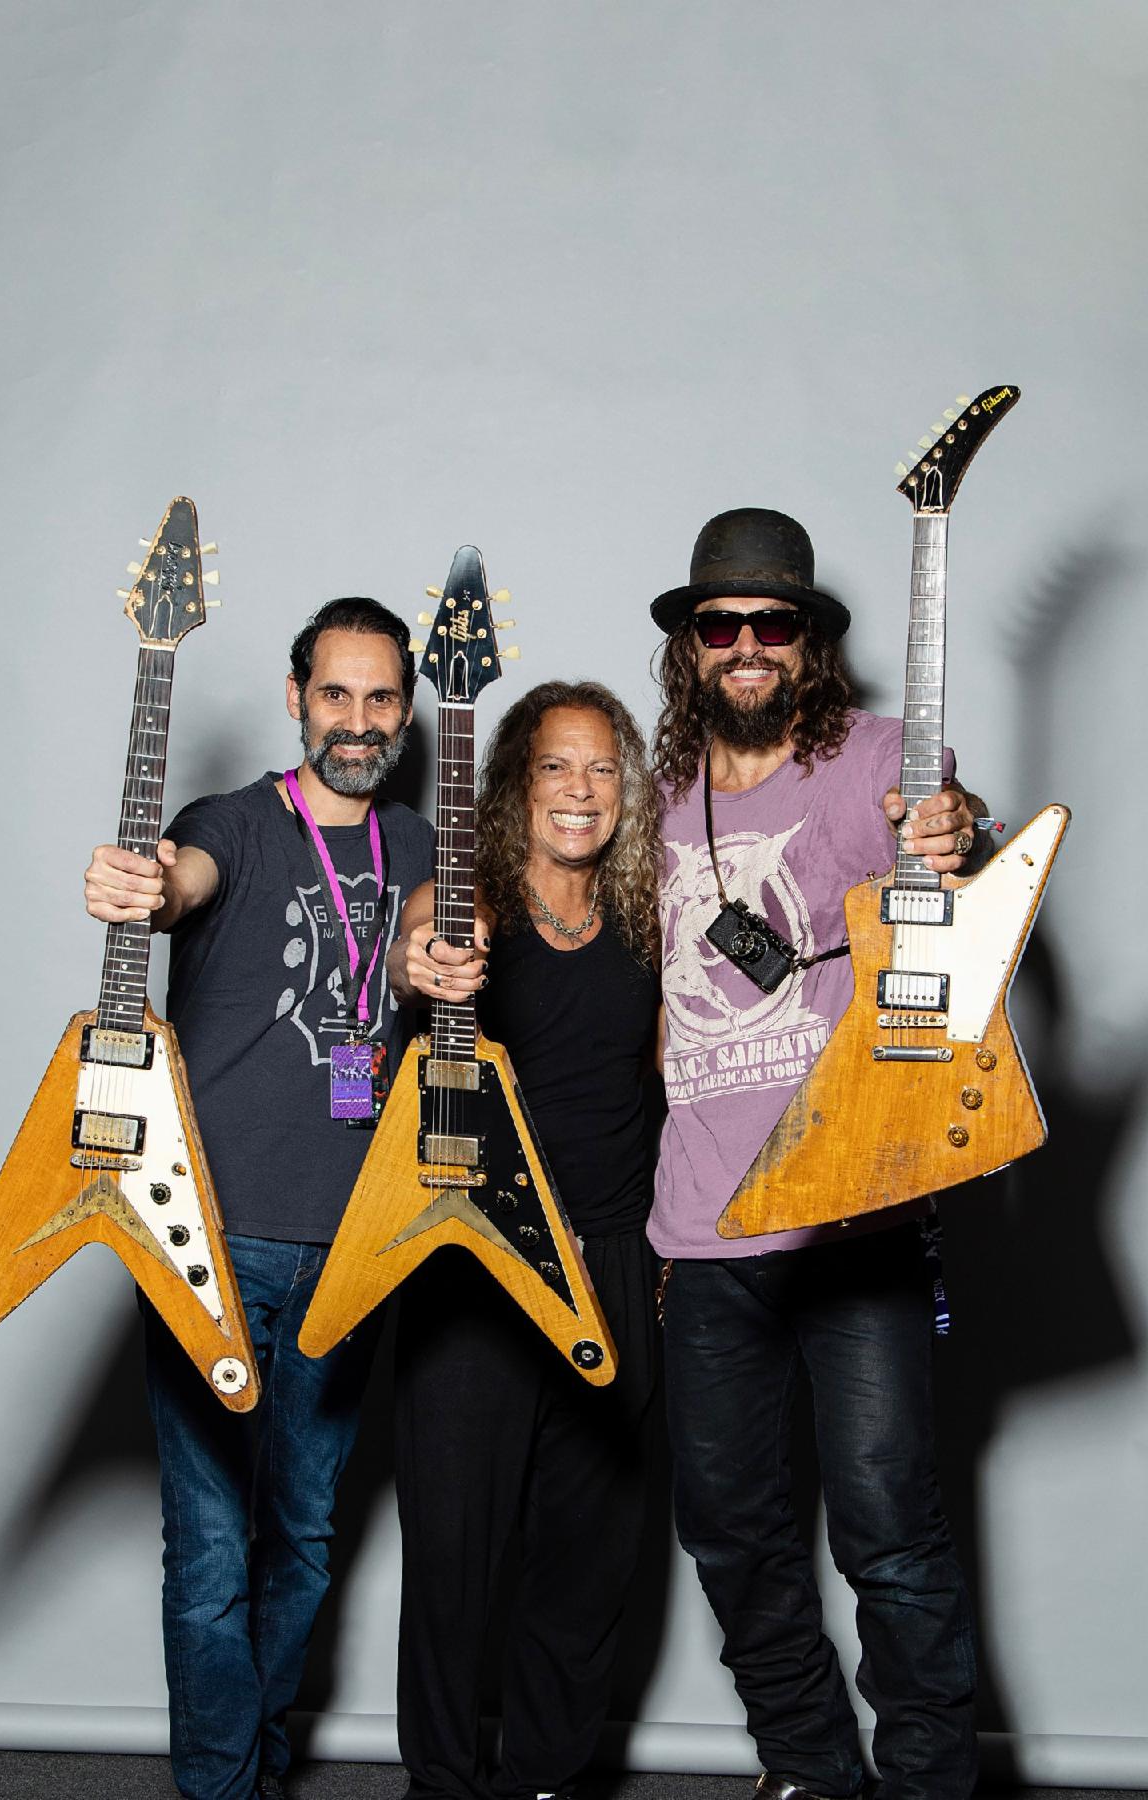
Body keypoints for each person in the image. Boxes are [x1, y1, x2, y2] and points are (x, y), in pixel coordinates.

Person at [649, 509, 985, 1800]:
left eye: (772, 622)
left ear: (809, 642)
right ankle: (810, 1770)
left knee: (890, 1536)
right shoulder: (656, 802)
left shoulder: (876, 760)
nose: (745, 644)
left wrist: (953, 832)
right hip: (706, 1234)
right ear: (690, 646)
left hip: (856, 1220)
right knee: (730, 1535)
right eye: (719, 623)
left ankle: (930, 1784)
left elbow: (942, 822)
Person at [83, 597, 435, 1800]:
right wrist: (141, 883)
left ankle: (256, 1759)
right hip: (208, 1239)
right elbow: (178, 881)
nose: (357, 720)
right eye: (334, 693)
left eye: (380, 697)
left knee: (304, 1539)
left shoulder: (419, 844)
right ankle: (223, 1788)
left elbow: (422, 939)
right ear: (296, 699)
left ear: (407, 710)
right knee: (207, 1552)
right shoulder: (229, 824)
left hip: (353, 1252)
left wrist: (435, 953)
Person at [386, 680, 661, 1800]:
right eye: (557, 765)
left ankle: (546, 1777)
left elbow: (662, 1084)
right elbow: (426, 941)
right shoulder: (473, 901)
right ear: (516, 782)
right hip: (477, 1266)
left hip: (615, 1261)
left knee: (589, 1556)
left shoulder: (645, 917)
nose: (581, 790)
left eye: (603, 768)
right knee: (455, 1557)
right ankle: (444, 1785)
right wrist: (430, 955)